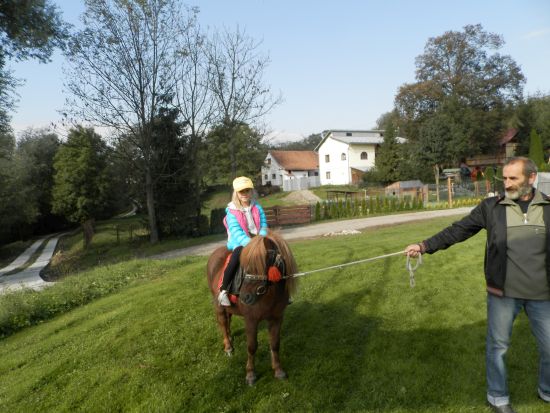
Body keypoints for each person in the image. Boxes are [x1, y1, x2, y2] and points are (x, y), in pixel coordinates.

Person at [405, 157, 550, 413]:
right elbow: (458, 230)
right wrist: (424, 246)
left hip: (543, 294)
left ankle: (546, 390)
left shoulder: (547, 207)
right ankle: (498, 398)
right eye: (504, 178)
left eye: (513, 178)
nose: (507, 183)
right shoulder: (491, 208)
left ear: (531, 178)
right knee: (498, 347)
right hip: (503, 294)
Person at [218, 176, 268, 306]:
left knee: (274, 252)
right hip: (239, 241)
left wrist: (261, 237)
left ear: (251, 191)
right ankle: (224, 290)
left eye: (247, 190)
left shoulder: (257, 207)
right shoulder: (232, 211)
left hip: (257, 238)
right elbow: (236, 232)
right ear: (236, 193)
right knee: (236, 257)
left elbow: (263, 223)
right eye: (241, 191)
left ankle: (282, 287)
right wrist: (250, 244)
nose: (245, 194)